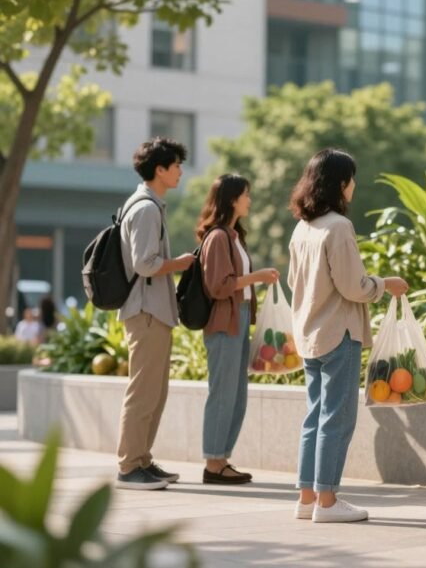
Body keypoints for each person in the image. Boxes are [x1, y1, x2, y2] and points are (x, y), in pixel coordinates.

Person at [287, 149, 408, 523]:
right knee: (337, 418)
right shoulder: (338, 226)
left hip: (309, 333)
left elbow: (295, 282)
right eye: (352, 178)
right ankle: (328, 501)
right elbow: (353, 287)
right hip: (339, 333)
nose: (354, 185)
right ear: (340, 183)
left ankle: (307, 498)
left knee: (315, 416)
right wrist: (385, 284)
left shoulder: (303, 227)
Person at [115, 137, 197, 491]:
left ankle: (142, 460)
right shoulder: (146, 208)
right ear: (160, 170)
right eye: (176, 165)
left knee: (155, 392)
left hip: (153, 312)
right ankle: (129, 465)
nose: (180, 171)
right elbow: (144, 264)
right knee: (143, 392)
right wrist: (178, 264)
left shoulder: (149, 205)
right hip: (146, 311)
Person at [196, 174, 280, 485]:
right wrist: (256, 277)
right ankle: (213, 463)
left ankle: (222, 459)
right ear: (232, 199)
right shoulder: (218, 238)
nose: (249, 200)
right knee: (223, 392)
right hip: (224, 320)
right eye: (246, 195)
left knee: (237, 395)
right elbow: (219, 286)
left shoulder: (232, 236)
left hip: (239, 317)